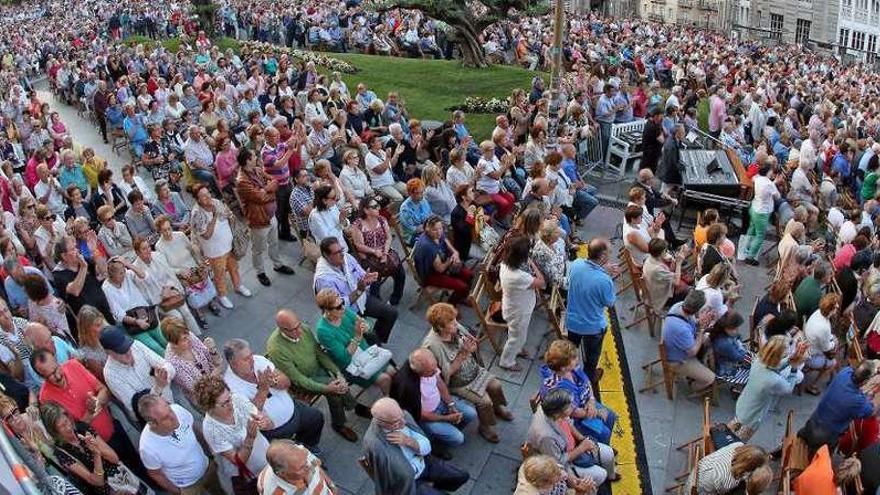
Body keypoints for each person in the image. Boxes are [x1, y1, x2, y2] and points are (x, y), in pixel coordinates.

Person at [266, 309, 363, 443]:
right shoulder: (276, 349)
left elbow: (319, 353)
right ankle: (341, 421)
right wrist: (327, 388)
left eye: (298, 325)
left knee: (338, 377)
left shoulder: (303, 329)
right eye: (293, 329)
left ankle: (350, 406)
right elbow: (298, 379)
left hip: (318, 370)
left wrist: (337, 372)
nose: (299, 331)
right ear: (281, 329)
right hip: (303, 381)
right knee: (334, 390)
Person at [422, 302, 512, 443]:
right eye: (451, 323)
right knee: (484, 402)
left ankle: (498, 408)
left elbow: (471, 341)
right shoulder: (433, 346)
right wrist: (463, 353)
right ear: (440, 327)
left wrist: (473, 344)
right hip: (458, 382)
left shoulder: (454, 327)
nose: (456, 324)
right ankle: (485, 426)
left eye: (455, 320)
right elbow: (445, 374)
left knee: (496, 385)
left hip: (473, 369)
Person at [222, 338, 324, 450]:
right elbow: (251, 414)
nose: (252, 360)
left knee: (316, 418)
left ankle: (309, 445)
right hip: (274, 432)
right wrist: (263, 389)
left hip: (294, 409)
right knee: (287, 455)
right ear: (233, 363)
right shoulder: (230, 387)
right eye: (246, 359)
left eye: (251, 355)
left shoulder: (259, 361)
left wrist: (273, 382)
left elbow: (286, 382)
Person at [362, 397, 470, 495]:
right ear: (381, 422)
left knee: (462, 476)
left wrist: (409, 441)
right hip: (409, 481)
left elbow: (426, 447)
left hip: (424, 462)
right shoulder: (374, 443)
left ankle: (438, 487)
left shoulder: (402, 416)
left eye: (402, 416)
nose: (403, 422)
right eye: (396, 422)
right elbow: (390, 477)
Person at [41, 402, 150, 495]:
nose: (68, 427)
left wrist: (97, 447)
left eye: (66, 421)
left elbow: (114, 458)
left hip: (124, 478)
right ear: (54, 431)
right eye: (62, 426)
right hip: (108, 491)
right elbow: (97, 481)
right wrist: (96, 455)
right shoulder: (61, 452)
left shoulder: (81, 428)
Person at [526, 388, 618, 487]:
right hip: (566, 464)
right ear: (558, 413)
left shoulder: (552, 412)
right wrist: (582, 448)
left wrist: (582, 439)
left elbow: (569, 423)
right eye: (569, 406)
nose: (573, 407)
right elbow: (557, 462)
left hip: (573, 446)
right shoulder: (546, 437)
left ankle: (610, 476)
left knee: (609, 453)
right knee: (601, 474)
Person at [390, 348, 478, 453]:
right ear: (419, 372)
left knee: (471, 413)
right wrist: (446, 418)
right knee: (458, 438)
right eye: (431, 372)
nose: (436, 371)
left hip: (440, 402)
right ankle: (434, 444)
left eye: (435, 367)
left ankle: (449, 428)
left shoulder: (430, 366)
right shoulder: (407, 387)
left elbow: (439, 383)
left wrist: (451, 404)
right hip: (427, 417)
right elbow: (420, 414)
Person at [314, 236, 398, 344]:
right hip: (346, 313)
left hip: (362, 300)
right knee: (370, 335)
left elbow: (360, 274)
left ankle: (376, 342)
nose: (342, 254)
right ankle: (373, 342)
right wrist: (359, 290)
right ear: (326, 256)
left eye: (342, 250)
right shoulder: (324, 279)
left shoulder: (346, 258)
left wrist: (368, 279)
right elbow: (340, 305)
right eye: (337, 253)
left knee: (391, 313)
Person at [194, 375, 270, 491]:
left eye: (229, 397)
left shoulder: (236, 399)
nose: (231, 403)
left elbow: (262, 419)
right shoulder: (211, 429)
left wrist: (264, 421)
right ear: (209, 407)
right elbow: (239, 462)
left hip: (265, 457)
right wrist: (250, 438)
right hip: (249, 474)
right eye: (224, 403)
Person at [315, 288, 396, 395]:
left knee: (392, 371)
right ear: (327, 311)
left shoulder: (343, 311)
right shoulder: (323, 331)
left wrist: (365, 326)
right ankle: (389, 400)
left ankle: (395, 396)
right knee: (384, 378)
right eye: (338, 307)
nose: (343, 308)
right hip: (351, 364)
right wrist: (357, 337)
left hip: (365, 351)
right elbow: (344, 357)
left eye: (342, 303)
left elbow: (360, 321)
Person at [137, 394, 223, 495]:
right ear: (153, 424)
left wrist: (211, 452)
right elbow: (155, 473)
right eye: (166, 418)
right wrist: (179, 492)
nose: (174, 416)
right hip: (188, 487)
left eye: (170, 409)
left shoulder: (178, 410)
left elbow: (194, 428)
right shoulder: (147, 448)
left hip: (207, 467)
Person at [235, 147, 295, 287]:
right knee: (258, 249)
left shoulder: (256, 170)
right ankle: (260, 272)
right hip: (259, 220)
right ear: (247, 160)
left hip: (270, 215)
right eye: (254, 156)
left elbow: (274, 181)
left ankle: (277, 264)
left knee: (273, 242)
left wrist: (266, 189)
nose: (256, 157)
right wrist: (269, 190)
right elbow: (260, 197)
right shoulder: (241, 181)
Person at [539, 339, 618, 445]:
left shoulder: (573, 368)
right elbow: (571, 412)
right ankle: (601, 450)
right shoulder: (560, 389)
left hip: (585, 404)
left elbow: (587, 382)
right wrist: (595, 412)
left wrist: (591, 401)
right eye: (574, 358)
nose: (577, 359)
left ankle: (604, 446)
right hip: (574, 419)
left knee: (611, 416)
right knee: (604, 433)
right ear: (563, 367)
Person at [729, 335, 807, 440]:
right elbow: (788, 388)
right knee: (738, 442)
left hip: (743, 404)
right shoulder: (772, 380)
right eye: (784, 355)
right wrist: (794, 368)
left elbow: (774, 365)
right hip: (752, 416)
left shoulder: (759, 360)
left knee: (731, 430)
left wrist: (789, 360)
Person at [190, 183, 251, 309]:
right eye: (204, 196)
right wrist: (214, 217)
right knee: (220, 274)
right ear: (197, 199)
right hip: (215, 251)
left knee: (234, 267)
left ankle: (238, 285)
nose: (208, 197)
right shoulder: (197, 213)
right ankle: (222, 295)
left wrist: (228, 214)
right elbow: (206, 235)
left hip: (228, 245)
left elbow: (227, 214)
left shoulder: (216, 202)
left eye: (208, 194)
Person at [798, 361, 880, 453]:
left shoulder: (845, 372)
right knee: (824, 454)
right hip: (825, 436)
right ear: (865, 381)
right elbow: (872, 412)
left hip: (813, 420)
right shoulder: (858, 401)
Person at [100, 324, 175, 424]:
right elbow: (139, 407)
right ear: (108, 352)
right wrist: (159, 387)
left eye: (127, 346)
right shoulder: (110, 374)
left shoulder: (136, 345)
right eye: (121, 351)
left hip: (170, 401)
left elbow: (168, 366)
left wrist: (165, 373)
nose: (128, 352)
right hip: (154, 421)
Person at [566, 238, 615, 384]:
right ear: (603, 257)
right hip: (592, 327)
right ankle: (587, 378)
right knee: (592, 357)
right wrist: (607, 275)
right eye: (609, 252)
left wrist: (602, 270)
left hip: (572, 322)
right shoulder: (604, 280)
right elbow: (610, 302)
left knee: (571, 350)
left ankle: (569, 371)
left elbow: (587, 275)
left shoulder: (576, 264)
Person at [101, 256, 167, 354]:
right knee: (156, 348)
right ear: (112, 274)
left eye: (124, 271)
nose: (124, 274)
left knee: (165, 341)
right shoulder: (106, 288)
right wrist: (137, 322)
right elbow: (118, 314)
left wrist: (128, 264)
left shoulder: (127, 274)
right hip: (131, 322)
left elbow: (145, 276)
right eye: (120, 273)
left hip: (146, 313)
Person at [499, 236, 545, 371]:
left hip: (515, 306)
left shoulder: (505, 264)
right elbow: (541, 282)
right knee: (516, 337)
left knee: (517, 335)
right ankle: (507, 361)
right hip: (518, 311)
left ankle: (517, 349)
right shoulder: (519, 276)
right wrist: (532, 264)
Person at [351, 197, 406, 306]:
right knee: (374, 282)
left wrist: (385, 252)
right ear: (366, 210)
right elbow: (358, 245)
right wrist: (374, 252)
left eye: (378, 205)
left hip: (385, 252)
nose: (378, 208)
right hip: (369, 257)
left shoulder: (381, 219)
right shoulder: (358, 225)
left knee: (401, 274)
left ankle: (395, 298)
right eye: (375, 206)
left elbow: (389, 237)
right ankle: (378, 304)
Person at [662, 290, 716, 392]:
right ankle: (692, 387)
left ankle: (699, 368)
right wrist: (701, 330)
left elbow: (691, 323)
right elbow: (692, 352)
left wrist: (700, 323)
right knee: (711, 379)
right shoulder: (682, 330)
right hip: (677, 361)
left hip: (677, 345)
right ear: (697, 310)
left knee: (707, 339)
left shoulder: (679, 306)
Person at [412, 215, 474, 305]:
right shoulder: (427, 246)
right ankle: (450, 306)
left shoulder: (438, 234)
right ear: (427, 229)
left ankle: (461, 297)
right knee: (462, 286)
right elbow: (440, 269)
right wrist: (450, 261)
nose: (439, 232)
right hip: (431, 274)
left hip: (444, 262)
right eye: (435, 230)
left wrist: (455, 254)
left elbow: (447, 243)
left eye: (440, 228)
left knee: (469, 275)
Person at [161, 316, 223, 402]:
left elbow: (216, 361)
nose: (190, 339)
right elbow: (198, 390)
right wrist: (217, 370)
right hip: (205, 400)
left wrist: (212, 350)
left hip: (218, 383)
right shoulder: (173, 363)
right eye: (184, 339)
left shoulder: (189, 336)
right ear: (173, 344)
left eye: (187, 333)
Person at [683, 439, 772, 495]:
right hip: (698, 491)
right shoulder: (728, 480)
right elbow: (722, 492)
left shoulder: (738, 445)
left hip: (698, 473)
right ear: (749, 467)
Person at [259, 439, 337, 495]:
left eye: (306, 461)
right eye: (301, 468)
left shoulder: (301, 452)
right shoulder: (272, 492)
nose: (309, 467)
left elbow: (317, 466)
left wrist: (331, 486)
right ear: (282, 473)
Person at [743, 162, 782, 265]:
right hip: (762, 213)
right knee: (760, 235)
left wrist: (774, 182)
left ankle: (745, 248)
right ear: (768, 171)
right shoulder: (769, 183)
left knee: (751, 229)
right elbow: (777, 196)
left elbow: (766, 186)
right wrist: (775, 183)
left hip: (754, 207)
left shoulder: (757, 178)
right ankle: (750, 257)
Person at [803, 293, 841, 395]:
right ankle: (812, 385)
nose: (837, 308)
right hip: (811, 356)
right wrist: (835, 343)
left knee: (834, 344)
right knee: (833, 363)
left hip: (808, 345)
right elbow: (826, 348)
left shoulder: (818, 312)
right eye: (836, 306)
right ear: (831, 309)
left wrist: (832, 339)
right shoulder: (824, 327)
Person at [309, 184, 350, 251]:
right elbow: (327, 239)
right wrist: (340, 224)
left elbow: (346, 224)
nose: (336, 199)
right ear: (324, 201)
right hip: (330, 251)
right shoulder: (315, 216)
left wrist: (343, 220)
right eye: (333, 198)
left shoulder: (333, 206)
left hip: (342, 245)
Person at [399, 178, 433, 245]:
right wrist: (428, 227)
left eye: (422, 192)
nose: (421, 195)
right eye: (417, 193)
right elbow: (413, 229)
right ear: (410, 193)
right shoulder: (405, 209)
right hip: (411, 236)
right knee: (431, 240)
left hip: (425, 227)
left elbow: (430, 215)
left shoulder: (423, 200)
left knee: (440, 231)